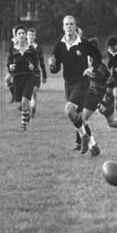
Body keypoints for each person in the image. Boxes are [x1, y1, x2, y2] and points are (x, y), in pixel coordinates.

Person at [49, 15, 101, 153]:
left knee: (69, 110)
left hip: (82, 82)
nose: (69, 27)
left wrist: (91, 69)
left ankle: (84, 137)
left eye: (71, 24)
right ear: (63, 27)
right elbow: (56, 69)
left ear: (75, 26)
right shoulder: (59, 46)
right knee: (79, 117)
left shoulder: (83, 44)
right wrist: (52, 66)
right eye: (66, 24)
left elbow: (98, 56)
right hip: (68, 83)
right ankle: (93, 146)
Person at [81, 38, 117, 157]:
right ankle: (93, 146)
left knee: (111, 123)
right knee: (82, 120)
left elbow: (111, 81)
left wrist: (107, 97)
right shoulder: (85, 63)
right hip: (92, 94)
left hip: (105, 95)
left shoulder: (101, 67)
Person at [7, 26, 39, 132]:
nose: (21, 35)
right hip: (17, 78)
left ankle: (23, 125)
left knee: (25, 100)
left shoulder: (31, 49)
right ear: (16, 36)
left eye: (23, 33)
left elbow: (36, 61)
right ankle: (26, 114)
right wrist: (10, 67)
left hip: (29, 78)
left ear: (25, 36)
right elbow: (8, 63)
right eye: (19, 33)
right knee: (19, 106)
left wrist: (33, 66)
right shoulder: (12, 50)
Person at [27, 28, 47, 118]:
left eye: (32, 35)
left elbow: (42, 62)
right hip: (25, 74)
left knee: (33, 91)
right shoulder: (22, 46)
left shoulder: (38, 48)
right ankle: (26, 108)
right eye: (29, 35)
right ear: (26, 36)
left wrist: (45, 75)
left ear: (35, 37)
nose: (31, 37)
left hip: (36, 73)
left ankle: (32, 109)